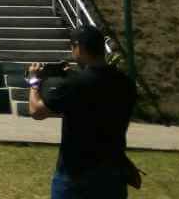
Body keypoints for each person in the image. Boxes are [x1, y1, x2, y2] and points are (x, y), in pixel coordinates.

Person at [29, 25, 137, 199]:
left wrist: (34, 82)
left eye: (72, 46)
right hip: (113, 173)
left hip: (76, 174)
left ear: (79, 47)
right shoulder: (125, 83)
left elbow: (36, 111)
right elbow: (97, 101)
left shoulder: (75, 86)